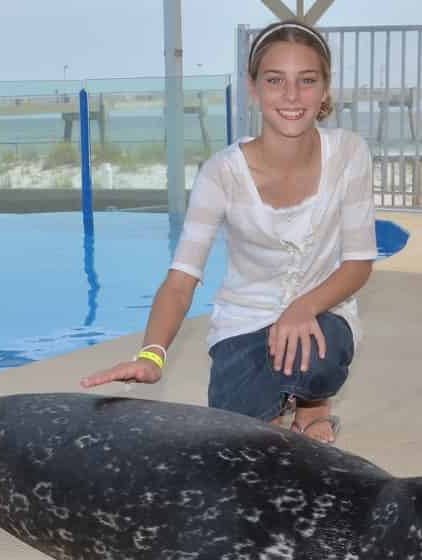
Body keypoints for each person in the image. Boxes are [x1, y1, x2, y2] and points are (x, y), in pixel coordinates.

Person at [80, 19, 377, 444]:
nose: (291, 96)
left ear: (325, 89)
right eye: (275, 80)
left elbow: (358, 264)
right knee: (237, 436)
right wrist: (152, 354)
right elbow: (182, 280)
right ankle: (277, 405)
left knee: (316, 352)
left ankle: (313, 406)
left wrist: (303, 306)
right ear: (254, 89)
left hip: (319, 318)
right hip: (245, 324)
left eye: (306, 81)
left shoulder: (349, 153)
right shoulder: (221, 173)